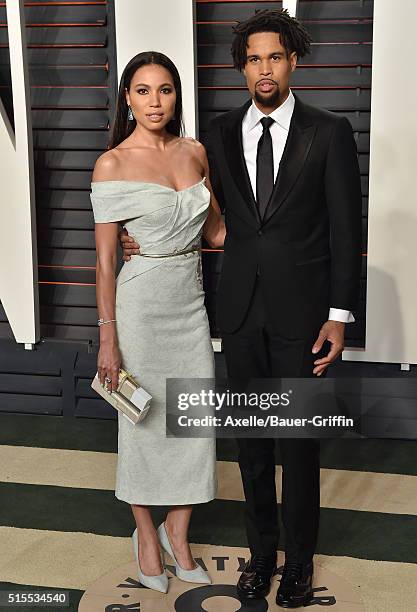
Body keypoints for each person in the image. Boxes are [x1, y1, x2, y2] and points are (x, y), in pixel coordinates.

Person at [120, 8, 362, 608]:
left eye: (274, 57)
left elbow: (345, 234)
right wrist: (146, 238)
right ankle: (260, 557)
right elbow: (208, 219)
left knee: (298, 443)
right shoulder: (220, 134)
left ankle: (299, 564)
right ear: (241, 67)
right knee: (252, 444)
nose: (264, 68)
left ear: (293, 60)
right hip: (239, 317)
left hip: (305, 319)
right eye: (253, 58)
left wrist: (339, 315)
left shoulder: (329, 131)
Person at [91, 51, 225, 594]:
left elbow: (216, 233)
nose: (155, 101)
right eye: (143, 91)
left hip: (189, 303)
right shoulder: (112, 164)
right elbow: (103, 262)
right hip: (139, 305)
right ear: (127, 97)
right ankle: (145, 531)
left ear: (176, 97)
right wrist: (108, 337)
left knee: (194, 419)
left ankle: (179, 530)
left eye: (165, 90)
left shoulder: (195, 152)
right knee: (142, 422)